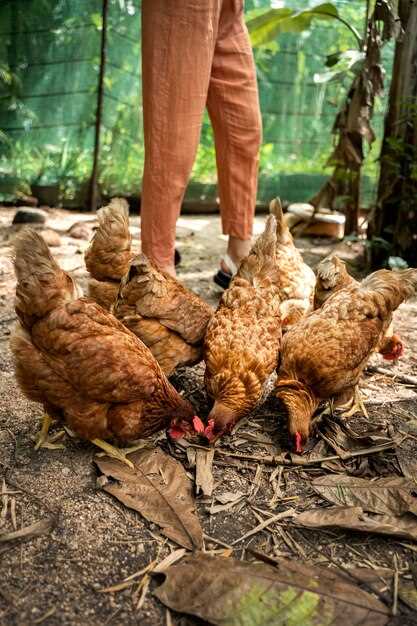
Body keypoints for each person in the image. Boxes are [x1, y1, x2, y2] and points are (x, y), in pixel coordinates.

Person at [140, 0, 262, 284]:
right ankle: (157, 265)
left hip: (230, 8)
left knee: (244, 129)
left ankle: (238, 252)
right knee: (173, 137)